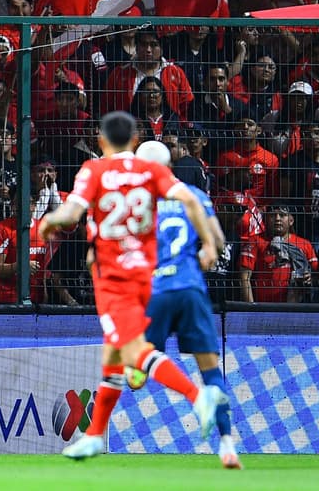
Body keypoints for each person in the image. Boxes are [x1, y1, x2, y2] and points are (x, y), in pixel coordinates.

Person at [38, 112, 225, 460]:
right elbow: (189, 201)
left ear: (101, 140)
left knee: (133, 351)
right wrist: (210, 245)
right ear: (135, 140)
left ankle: (197, 396)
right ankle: (95, 435)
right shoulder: (151, 171)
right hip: (146, 276)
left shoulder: (94, 170)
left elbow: (71, 214)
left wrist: (48, 221)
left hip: (114, 278)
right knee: (113, 356)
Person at [134, 141, 240, 469]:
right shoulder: (193, 195)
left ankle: (143, 370)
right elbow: (218, 242)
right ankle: (227, 445)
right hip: (191, 288)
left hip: (157, 291)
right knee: (211, 371)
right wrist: (206, 250)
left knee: (139, 362)